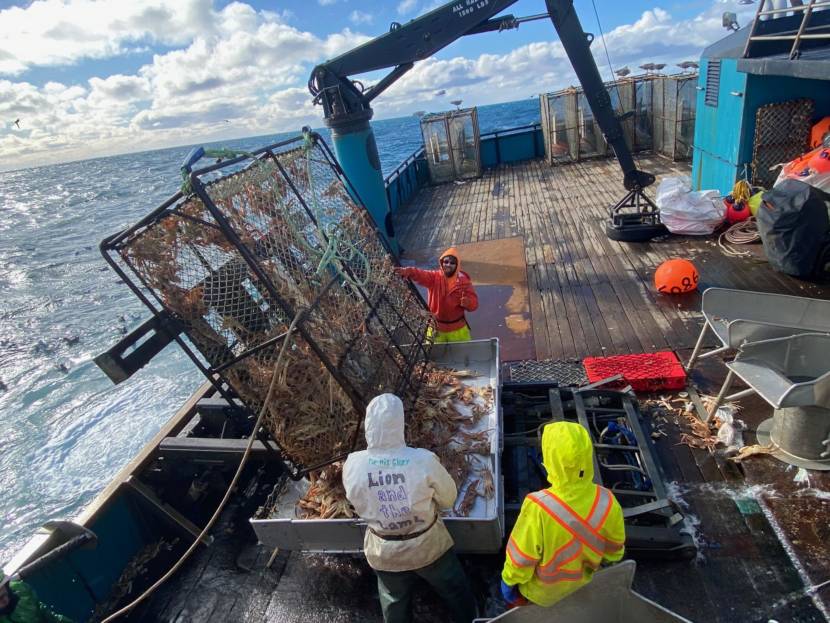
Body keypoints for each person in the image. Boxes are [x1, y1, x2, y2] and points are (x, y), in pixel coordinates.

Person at [342, 394, 476, 623]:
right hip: (427, 546)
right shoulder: (422, 460)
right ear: (399, 425)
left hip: (384, 550)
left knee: (393, 598)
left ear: (369, 425)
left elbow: (355, 501)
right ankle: (469, 619)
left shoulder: (352, 463)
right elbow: (448, 499)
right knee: (454, 589)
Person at [500, 421, 625, 609]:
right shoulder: (607, 501)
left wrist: (509, 582)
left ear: (550, 460)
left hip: (542, 597)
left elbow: (521, 558)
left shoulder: (537, 506)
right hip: (584, 589)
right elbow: (615, 552)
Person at [394, 247, 478, 343]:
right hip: (436, 328)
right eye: (446, 262)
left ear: (457, 265)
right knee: (433, 356)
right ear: (441, 263)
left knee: (464, 354)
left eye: (452, 263)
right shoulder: (434, 278)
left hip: (458, 328)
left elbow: (474, 305)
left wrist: (468, 303)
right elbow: (420, 274)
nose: (448, 265)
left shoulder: (464, 282)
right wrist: (409, 271)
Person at [0, 573, 74, 623]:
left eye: (3, 596)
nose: (3, 601)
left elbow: (41, 610)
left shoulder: (21, 590)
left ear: (7, 586)